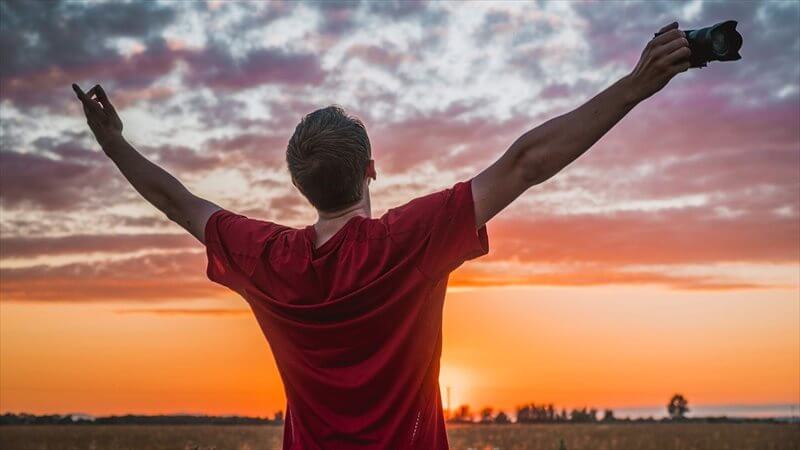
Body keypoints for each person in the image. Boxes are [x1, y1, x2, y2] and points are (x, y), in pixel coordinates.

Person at [73, 22, 691, 450]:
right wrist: (637, 84)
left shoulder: (267, 259)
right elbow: (526, 162)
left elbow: (177, 201)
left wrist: (113, 143)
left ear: (299, 185)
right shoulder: (410, 242)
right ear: (370, 169)